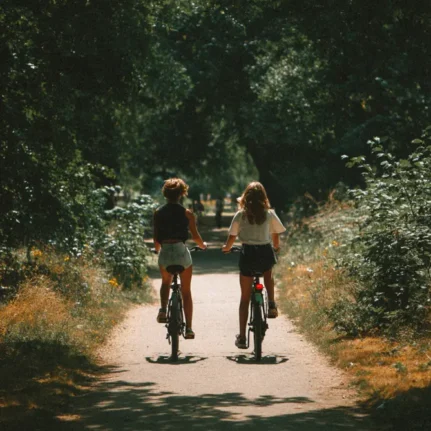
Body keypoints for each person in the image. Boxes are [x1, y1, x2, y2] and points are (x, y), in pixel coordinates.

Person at [221, 181, 286, 349]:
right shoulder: (269, 214)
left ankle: (242, 337)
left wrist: (226, 249)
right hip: (265, 252)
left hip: (248, 254)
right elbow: (276, 234)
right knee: (268, 274)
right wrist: (276, 247)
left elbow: (231, 238)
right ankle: (271, 303)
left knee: (244, 298)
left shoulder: (240, 215)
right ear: (263, 197)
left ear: (245, 197)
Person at [153, 178, 207, 339]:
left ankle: (163, 310)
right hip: (181, 252)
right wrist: (203, 245)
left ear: (165, 194)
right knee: (186, 291)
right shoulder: (187, 213)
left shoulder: (158, 213)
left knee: (165, 282)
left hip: (166, 252)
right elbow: (196, 236)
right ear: (182, 194)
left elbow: (156, 238)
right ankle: (189, 328)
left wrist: (157, 251)